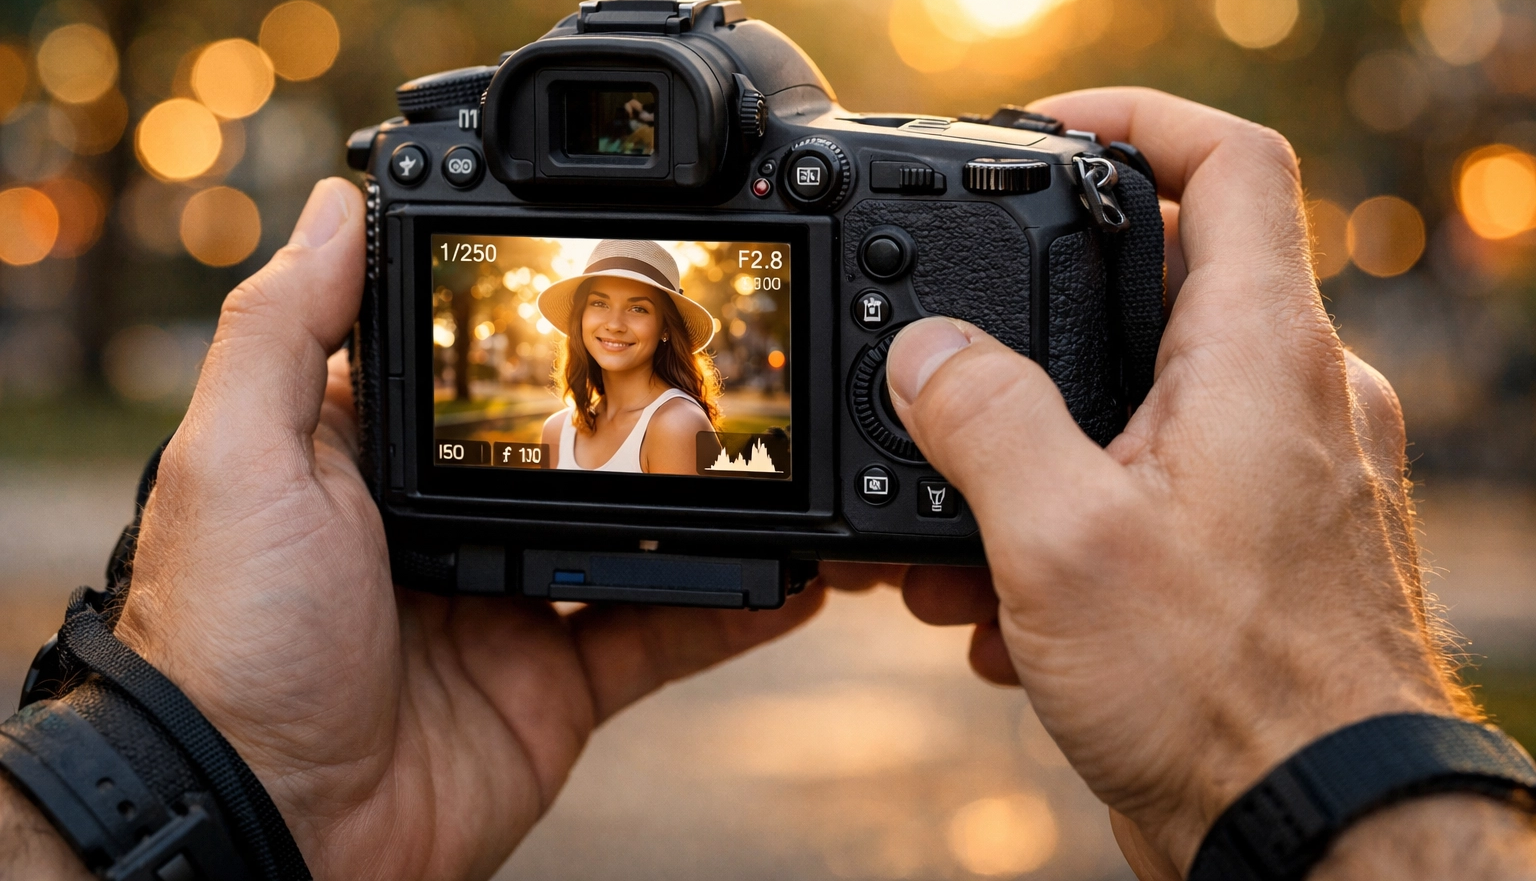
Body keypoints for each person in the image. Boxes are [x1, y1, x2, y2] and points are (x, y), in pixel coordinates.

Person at [4, 89, 1535, 880]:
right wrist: (223, 781)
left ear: (667, 322)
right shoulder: (561, 410)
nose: (612, 321)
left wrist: (1275, 741)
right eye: (592, 302)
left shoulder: (676, 420)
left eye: (634, 304)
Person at [537, 239, 720, 475]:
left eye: (638, 308)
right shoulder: (556, 430)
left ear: (665, 327)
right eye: (599, 303)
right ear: (581, 317)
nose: (614, 325)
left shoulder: (678, 425)